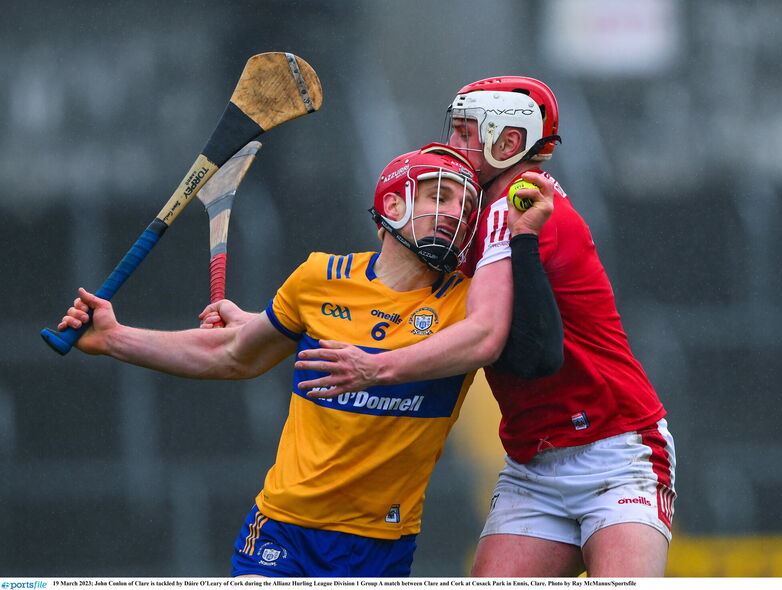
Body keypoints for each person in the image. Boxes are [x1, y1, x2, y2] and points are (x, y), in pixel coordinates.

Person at [56, 142, 558, 577]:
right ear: (392, 203)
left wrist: (523, 233)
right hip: (285, 528)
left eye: (466, 207)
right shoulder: (320, 277)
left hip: (380, 542)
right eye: (439, 196)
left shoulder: (468, 303)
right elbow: (235, 354)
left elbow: (495, 339)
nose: (455, 214)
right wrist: (116, 338)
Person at [295, 78, 677, 577]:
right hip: (531, 462)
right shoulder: (472, 218)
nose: (452, 145)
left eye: (465, 132)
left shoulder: (524, 208)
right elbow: (392, 286)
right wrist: (267, 319)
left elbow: (513, 348)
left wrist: (376, 368)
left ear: (510, 142)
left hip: (617, 448)